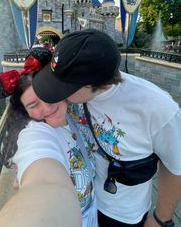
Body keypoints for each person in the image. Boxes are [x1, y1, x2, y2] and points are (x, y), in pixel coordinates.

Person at [32, 29, 181, 227]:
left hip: (124, 216)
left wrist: (160, 219)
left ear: (98, 84)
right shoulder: (75, 98)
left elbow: (176, 167)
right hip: (84, 204)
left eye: (65, 88)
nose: (57, 96)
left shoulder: (157, 108)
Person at [0, 47, 97, 227]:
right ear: (25, 111)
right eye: (33, 105)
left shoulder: (76, 110)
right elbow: (43, 182)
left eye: (47, 95)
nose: (47, 108)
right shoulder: (35, 134)